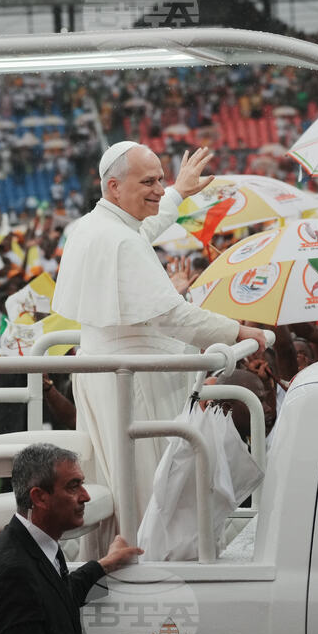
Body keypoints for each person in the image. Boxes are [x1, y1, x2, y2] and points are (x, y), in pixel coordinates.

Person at [52, 142, 266, 554]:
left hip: (111, 377)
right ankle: (150, 564)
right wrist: (237, 331)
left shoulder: (97, 226)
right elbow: (172, 316)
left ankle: (119, 557)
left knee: (120, 483)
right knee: (149, 490)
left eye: (160, 180)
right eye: (148, 182)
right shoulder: (118, 238)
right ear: (114, 187)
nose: (157, 189)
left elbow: (143, 230)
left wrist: (178, 193)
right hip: (135, 385)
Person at [0, 443, 142, 634]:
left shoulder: (29, 547)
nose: (85, 496)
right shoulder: (14, 571)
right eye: (73, 486)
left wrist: (106, 564)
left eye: (82, 484)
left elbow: (57, 596)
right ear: (39, 497)